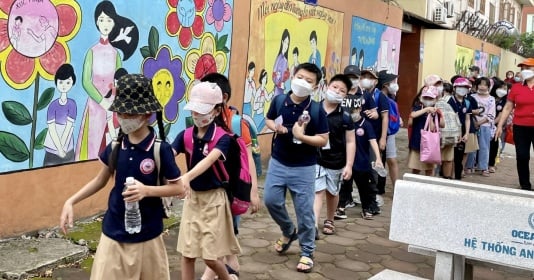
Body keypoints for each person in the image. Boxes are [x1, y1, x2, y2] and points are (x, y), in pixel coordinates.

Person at [59, 74, 183, 280]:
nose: (123, 118)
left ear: (146, 114)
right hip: (113, 234)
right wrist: (71, 201)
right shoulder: (116, 146)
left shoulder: (161, 149)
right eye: (120, 113)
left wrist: (147, 191)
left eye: (128, 113)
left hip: (148, 236)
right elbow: (100, 180)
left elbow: (179, 188)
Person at [264, 63, 329, 273]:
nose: (303, 82)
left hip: (304, 167)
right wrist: (276, 127)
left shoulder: (317, 110)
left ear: (316, 86)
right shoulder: (280, 100)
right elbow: (269, 118)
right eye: (300, 77)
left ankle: (307, 251)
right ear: (292, 76)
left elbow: (323, 140)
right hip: (278, 161)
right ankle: (288, 230)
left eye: (309, 81)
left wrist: (302, 137)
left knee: (305, 211)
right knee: (271, 200)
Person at [172, 82, 241, 280]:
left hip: (214, 201)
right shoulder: (185, 135)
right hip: (193, 199)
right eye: (194, 110)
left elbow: (210, 160)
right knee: (187, 254)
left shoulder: (223, 138)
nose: (197, 115)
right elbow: (169, 154)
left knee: (211, 258)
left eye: (202, 110)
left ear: (217, 110)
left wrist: (185, 177)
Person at [198, 72, 260, 280]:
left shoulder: (236, 124)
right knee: (223, 234)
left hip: (232, 190)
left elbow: (248, 158)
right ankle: (231, 265)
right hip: (210, 190)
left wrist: (253, 191)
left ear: (222, 98)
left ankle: (216, 273)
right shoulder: (201, 121)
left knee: (221, 234)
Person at [76, 1, 139, 161]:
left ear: (114, 23)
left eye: (109, 20)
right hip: (95, 107)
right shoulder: (91, 52)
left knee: (112, 144)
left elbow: (120, 80)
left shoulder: (116, 54)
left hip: (113, 106)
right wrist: (101, 101)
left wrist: (114, 102)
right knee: (93, 146)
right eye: (102, 19)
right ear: (97, 21)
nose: (105, 24)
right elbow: (85, 81)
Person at [312, 74, 355, 238]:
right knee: (318, 191)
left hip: (336, 161)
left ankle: (330, 219)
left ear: (345, 96)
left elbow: (351, 141)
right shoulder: (314, 109)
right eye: (335, 87)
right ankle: (313, 225)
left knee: (332, 192)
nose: (337, 91)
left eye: (342, 90)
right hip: (316, 158)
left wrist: (349, 165)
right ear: (327, 86)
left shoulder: (345, 116)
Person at [335, 65, 378, 219]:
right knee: (344, 175)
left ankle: (368, 206)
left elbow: (375, 112)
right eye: (349, 77)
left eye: (355, 77)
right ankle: (341, 205)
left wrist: (373, 114)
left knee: (363, 175)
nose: (352, 80)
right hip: (341, 137)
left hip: (360, 136)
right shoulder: (340, 93)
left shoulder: (365, 95)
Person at [495, 58, 534, 191]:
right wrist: (500, 125)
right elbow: (507, 107)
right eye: (522, 69)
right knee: (522, 156)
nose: (524, 71)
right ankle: (525, 184)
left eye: (528, 68)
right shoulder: (516, 88)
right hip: (520, 126)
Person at [346, 96, 384, 219]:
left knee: (364, 187)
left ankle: (367, 208)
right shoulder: (345, 123)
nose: (352, 113)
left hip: (362, 162)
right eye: (349, 111)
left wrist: (378, 158)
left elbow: (373, 141)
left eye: (354, 110)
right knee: (343, 186)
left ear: (359, 109)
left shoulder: (366, 125)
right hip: (346, 162)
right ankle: (340, 207)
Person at [360, 69, 389, 207]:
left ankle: (375, 194)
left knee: (374, 165)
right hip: (359, 137)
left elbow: (385, 118)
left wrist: (383, 138)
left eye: (369, 77)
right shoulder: (359, 95)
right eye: (364, 77)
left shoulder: (380, 96)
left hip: (375, 137)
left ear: (376, 81)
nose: (366, 79)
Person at [43, 63, 77, 166]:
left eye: (67, 82)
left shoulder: (72, 104)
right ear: (56, 82)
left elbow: (69, 127)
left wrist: (62, 148)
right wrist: (59, 148)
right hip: (52, 149)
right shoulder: (53, 106)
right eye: (61, 82)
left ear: (72, 83)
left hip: (67, 148)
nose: (64, 86)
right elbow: (52, 129)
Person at [408, 86, 445, 175]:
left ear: (436, 99)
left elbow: (441, 125)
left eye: (431, 98)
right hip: (417, 142)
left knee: (429, 169)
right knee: (416, 168)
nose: (428, 100)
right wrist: (426, 109)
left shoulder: (436, 110)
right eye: (426, 97)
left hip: (430, 145)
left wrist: (438, 115)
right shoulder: (418, 107)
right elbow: (412, 115)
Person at [377, 70, 401, 189]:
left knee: (391, 159)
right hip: (381, 133)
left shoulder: (391, 98)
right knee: (381, 160)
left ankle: (396, 188)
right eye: (392, 82)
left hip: (389, 133)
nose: (395, 84)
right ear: (385, 84)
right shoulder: (378, 97)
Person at [449, 77, 472, 180]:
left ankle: (457, 176)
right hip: (450, 131)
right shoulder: (449, 101)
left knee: (459, 155)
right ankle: (447, 175)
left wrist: (466, 133)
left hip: (462, 131)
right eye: (460, 87)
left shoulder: (467, 103)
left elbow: (467, 119)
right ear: (454, 88)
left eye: (465, 87)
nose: (462, 89)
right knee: (449, 155)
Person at [471, 77, 495, 177]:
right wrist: (474, 122)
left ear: (488, 87)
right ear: (476, 86)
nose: (482, 86)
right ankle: (469, 166)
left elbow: (491, 114)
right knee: (471, 147)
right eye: (480, 84)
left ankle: (483, 167)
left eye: (485, 85)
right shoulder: (472, 97)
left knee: (484, 147)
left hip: (485, 126)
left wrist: (479, 123)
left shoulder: (491, 99)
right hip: (472, 125)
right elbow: (469, 110)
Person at [488, 78, 508, 173]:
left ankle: (491, 164)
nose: (503, 91)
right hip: (484, 123)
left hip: (495, 124)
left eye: (505, 89)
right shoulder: (490, 98)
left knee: (494, 144)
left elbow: (501, 114)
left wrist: (493, 123)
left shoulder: (504, 101)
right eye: (501, 88)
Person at [272, 29, 290, 96]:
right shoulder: (279, 58)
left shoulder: (285, 60)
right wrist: (280, 83)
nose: (286, 45)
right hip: (278, 91)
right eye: (285, 42)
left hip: (283, 91)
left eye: (288, 43)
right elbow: (274, 75)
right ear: (282, 42)